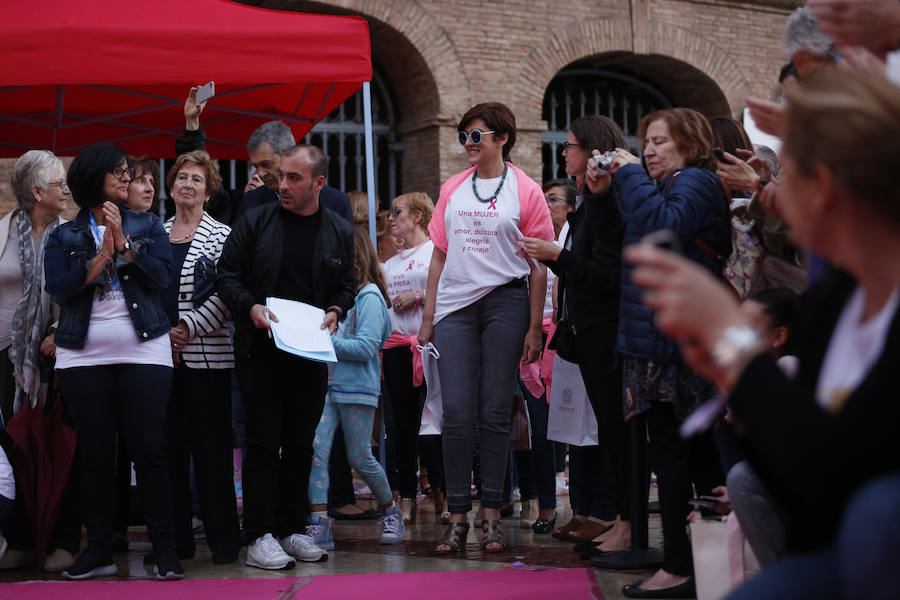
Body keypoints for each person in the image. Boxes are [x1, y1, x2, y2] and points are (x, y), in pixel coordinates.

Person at [626, 69, 900, 600]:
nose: (766, 192)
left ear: (821, 188)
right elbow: (806, 488)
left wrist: (734, 346)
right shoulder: (838, 297)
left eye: (781, 176)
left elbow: (839, 482)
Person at [586, 108, 730, 598]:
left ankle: (680, 567)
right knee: (680, 458)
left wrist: (627, 174)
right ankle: (704, 566)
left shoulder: (696, 183)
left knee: (678, 459)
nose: (647, 150)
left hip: (680, 348)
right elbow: (622, 243)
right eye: (645, 141)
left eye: (659, 141)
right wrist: (603, 199)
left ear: (688, 144)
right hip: (659, 343)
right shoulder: (665, 185)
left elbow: (660, 232)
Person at [418, 102, 553, 554]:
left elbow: (539, 265)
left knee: (495, 412)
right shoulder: (453, 187)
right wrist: (427, 316)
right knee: (455, 412)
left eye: (476, 136)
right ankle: (457, 517)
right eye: (464, 137)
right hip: (455, 306)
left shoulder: (526, 190)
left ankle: (491, 514)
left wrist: (535, 327)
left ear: (502, 138)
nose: (468, 145)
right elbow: (438, 253)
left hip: (506, 302)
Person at [44, 143, 182, 581]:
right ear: (94, 176)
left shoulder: (149, 223)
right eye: (118, 172)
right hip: (82, 352)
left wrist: (123, 243)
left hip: (144, 348)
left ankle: (164, 549)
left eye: (128, 172)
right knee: (96, 455)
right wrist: (101, 253)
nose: (127, 178)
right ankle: (98, 549)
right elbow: (60, 289)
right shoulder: (64, 234)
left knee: (150, 449)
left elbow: (163, 278)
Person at [217, 144, 356, 570]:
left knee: (301, 444)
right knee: (261, 443)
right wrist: (250, 308)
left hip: (310, 352)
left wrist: (336, 311)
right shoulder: (255, 220)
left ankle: (292, 528)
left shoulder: (337, 228)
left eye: (294, 178)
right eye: (280, 175)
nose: (283, 185)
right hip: (261, 348)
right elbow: (227, 275)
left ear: (319, 183)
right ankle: (258, 535)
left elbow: (346, 285)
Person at [521, 115, 627, 548]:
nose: (564, 152)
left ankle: (616, 516)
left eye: (570, 146)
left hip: (605, 330)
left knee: (610, 431)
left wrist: (555, 257)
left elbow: (608, 275)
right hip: (582, 331)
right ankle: (594, 511)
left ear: (594, 150)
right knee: (584, 427)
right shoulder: (587, 203)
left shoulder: (608, 204)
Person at [157, 151, 241, 565]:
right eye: (182, 178)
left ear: (208, 192)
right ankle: (175, 542)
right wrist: (161, 334)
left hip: (208, 360)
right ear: (171, 187)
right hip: (159, 360)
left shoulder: (222, 236)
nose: (188, 185)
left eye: (197, 180)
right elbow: (145, 291)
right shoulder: (154, 233)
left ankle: (224, 543)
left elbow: (227, 295)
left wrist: (186, 328)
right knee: (168, 452)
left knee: (211, 454)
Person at [0, 150, 77, 573]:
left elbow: (80, 294)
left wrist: (55, 332)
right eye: (58, 182)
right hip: (6, 357)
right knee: (15, 447)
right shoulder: (3, 234)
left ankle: (63, 538)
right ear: (35, 191)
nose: (66, 189)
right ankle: (23, 538)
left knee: (58, 444)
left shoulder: (71, 236)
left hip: (56, 355)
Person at [307, 227, 402, 549]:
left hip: (356, 387)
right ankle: (319, 524)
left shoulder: (370, 296)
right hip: (328, 387)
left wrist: (325, 342)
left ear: (355, 256)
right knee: (317, 452)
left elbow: (366, 348)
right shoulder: (336, 297)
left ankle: (391, 510)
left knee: (360, 457)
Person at [176, 87, 351, 225]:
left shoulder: (335, 203)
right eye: (256, 166)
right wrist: (192, 125)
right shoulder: (252, 203)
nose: (259, 173)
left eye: (266, 164)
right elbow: (211, 191)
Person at [380, 192, 436, 524]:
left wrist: (419, 295)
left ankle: (442, 491)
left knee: (433, 422)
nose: (390, 218)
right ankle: (407, 495)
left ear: (417, 215)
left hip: (430, 346)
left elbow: (454, 287)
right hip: (397, 349)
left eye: (395, 211)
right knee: (400, 426)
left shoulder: (435, 253)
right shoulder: (388, 265)